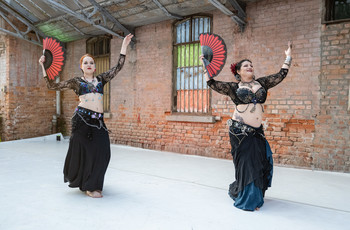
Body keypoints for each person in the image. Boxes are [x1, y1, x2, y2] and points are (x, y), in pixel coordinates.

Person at [200, 41, 292, 211]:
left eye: (251, 65)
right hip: (239, 132)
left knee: (260, 162)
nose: (250, 67)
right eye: (245, 65)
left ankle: (255, 195)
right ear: (238, 71)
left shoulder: (262, 83)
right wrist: (205, 65)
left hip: (257, 131)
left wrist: (288, 56)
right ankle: (248, 199)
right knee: (247, 165)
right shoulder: (233, 87)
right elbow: (212, 83)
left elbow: (281, 74)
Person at [39, 34, 134, 198]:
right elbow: (52, 85)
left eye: (91, 62)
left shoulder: (101, 79)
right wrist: (43, 66)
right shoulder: (77, 82)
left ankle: (95, 183)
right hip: (82, 120)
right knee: (88, 153)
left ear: (94, 67)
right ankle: (91, 187)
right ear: (81, 66)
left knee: (104, 152)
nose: (89, 64)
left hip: (98, 122)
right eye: (85, 62)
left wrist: (124, 46)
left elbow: (118, 67)